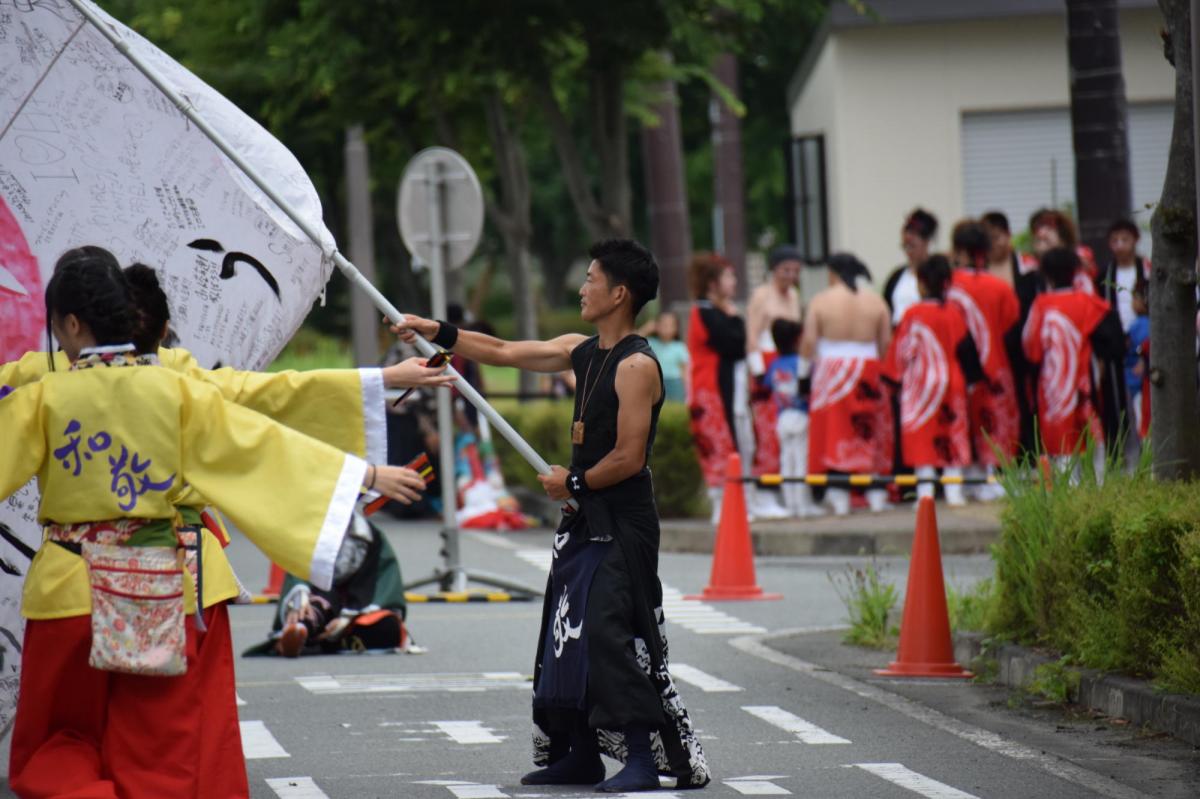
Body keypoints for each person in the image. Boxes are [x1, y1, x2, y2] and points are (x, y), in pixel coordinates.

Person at [1, 247, 430, 798]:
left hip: (69, 590)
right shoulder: (176, 387)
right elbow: (261, 443)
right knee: (156, 752)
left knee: (58, 740)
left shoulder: (41, 392)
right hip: (159, 589)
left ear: (72, 324)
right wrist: (361, 474)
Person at [393, 239, 710, 793]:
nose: (582, 289)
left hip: (623, 520)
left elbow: (629, 457)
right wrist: (436, 330)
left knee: (611, 633)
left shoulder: (637, 365)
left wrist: (575, 482)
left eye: (590, 279)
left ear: (619, 293)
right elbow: (502, 350)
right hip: (582, 514)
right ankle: (580, 754)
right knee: (567, 633)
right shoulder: (580, 350)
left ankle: (641, 758)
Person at [885, 255, 984, 505]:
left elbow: (902, 351)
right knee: (952, 433)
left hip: (920, 385)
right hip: (952, 382)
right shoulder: (954, 313)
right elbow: (967, 350)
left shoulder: (913, 314)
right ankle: (954, 492)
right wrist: (972, 381)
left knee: (921, 437)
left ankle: (925, 494)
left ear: (921, 283)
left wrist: (893, 380)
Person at [800, 253, 893, 515]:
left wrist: (802, 375)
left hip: (831, 370)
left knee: (835, 430)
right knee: (869, 429)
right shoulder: (876, 301)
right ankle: (875, 492)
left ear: (832, 273)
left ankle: (838, 493)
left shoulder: (821, 300)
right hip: (869, 367)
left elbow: (809, 341)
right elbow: (886, 342)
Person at [1022, 247, 1125, 472]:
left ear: (1046, 275)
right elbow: (1115, 338)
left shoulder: (1041, 305)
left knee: (1060, 441)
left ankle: (1066, 484)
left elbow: (1030, 348)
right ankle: (1099, 482)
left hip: (1053, 384)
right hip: (1085, 381)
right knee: (1093, 436)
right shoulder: (1088, 301)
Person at [949, 221, 1021, 498]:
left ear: (959, 249)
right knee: (994, 423)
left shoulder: (948, 285)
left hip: (956, 367)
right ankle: (993, 478)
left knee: (962, 421)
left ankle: (963, 478)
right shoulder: (999, 287)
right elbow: (1010, 323)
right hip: (995, 363)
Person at [686, 253, 746, 523]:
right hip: (710, 389)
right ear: (712, 283)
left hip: (718, 387)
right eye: (728, 277)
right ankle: (722, 505)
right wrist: (735, 318)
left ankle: (731, 503)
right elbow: (735, 344)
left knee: (728, 442)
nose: (734, 282)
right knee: (718, 443)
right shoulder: (706, 313)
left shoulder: (713, 312)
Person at [743, 246, 802, 516]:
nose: (790, 275)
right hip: (766, 365)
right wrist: (758, 373)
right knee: (767, 431)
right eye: (785, 270)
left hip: (789, 364)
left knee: (791, 431)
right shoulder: (761, 295)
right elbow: (752, 336)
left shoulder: (794, 295)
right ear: (774, 269)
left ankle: (791, 493)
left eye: (795, 270)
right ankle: (765, 492)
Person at [765, 318, 820, 517]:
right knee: (801, 461)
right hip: (801, 414)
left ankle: (790, 505)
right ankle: (803, 505)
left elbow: (768, 384)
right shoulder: (801, 363)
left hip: (782, 417)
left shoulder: (774, 365)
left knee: (786, 461)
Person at [884, 208, 938, 326]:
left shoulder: (936, 275)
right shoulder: (896, 277)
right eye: (906, 232)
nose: (908, 238)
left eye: (914, 234)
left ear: (927, 240)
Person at [645, 310, 689, 402]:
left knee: (676, 404)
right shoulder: (650, 343)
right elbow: (632, 341)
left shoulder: (679, 347)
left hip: (675, 381)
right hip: (656, 380)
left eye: (670, 325)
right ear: (657, 326)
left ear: (676, 328)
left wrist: (688, 388)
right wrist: (646, 329)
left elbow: (685, 369)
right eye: (663, 324)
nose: (666, 328)